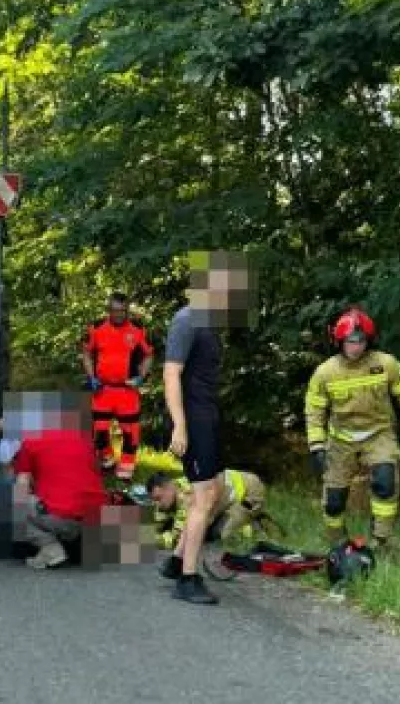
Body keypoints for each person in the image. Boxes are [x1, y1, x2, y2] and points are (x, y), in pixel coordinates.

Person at [304, 306, 400, 553]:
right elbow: (314, 410)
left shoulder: (385, 364)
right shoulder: (326, 372)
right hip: (341, 439)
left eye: (361, 341)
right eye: (350, 341)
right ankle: (336, 542)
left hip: (379, 433)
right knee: (334, 500)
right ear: (339, 341)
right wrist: (316, 447)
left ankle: (382, 540)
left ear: (368, 341)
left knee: (385, 482)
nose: (356, 347)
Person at [162, 257, 241, 605]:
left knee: (218, 487)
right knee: (204, 496)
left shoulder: (208, 323)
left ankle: (177, 558)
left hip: (206, 415)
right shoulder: (187, 320)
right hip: (191, 418)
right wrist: (180, 425)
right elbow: (170, 373)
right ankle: (188, 579)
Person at [9, 400, 110, 570]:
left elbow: (23, 483)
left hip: (62, 518)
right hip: (97, 517)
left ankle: (50, 548)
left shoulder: (32, 441)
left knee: (17, 500)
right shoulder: (86, 440)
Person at [81, 292, 155, 480]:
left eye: (122, 311)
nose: (118, 314)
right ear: (108, 310)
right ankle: (107, 461)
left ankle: (126, 470)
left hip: (127, 391)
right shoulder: (96, 328)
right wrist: (91, 377)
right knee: (100, 431)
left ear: (127, 311)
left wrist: (141, 376)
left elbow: (148, 355)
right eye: (114, 311)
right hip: (103, 390)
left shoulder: (138, 330)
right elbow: (86, 354)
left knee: (130, 433)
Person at [147, 469, 273, 559]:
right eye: (154, 500)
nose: (157, 504)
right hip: (229, 490)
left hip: (249, 491)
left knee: (220, 534)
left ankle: (250, 525)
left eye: (158, 499)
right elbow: (158, 523)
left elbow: (176, 540)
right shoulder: (175, 487)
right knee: (205, 529)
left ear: (169, 488)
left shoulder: (186, 498)